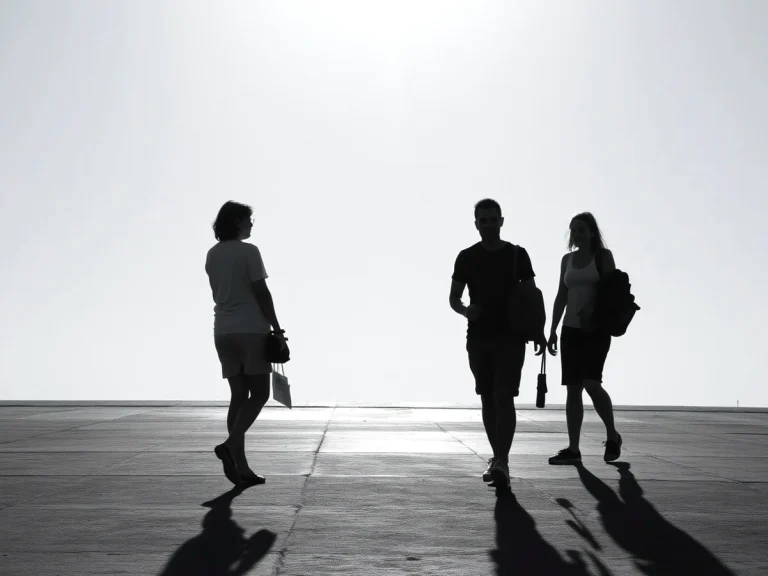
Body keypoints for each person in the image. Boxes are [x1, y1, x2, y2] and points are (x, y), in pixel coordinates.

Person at [451, 199, 547, 487]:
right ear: (476, 224)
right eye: (484, 220)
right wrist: (466, 310)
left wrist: (539, 330)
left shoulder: (518, 255)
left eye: (494, 219)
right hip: (478, 337)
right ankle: (497, 458)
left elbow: (532, 296)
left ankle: (501, 460)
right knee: (487, 398)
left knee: (503, 396)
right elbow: (454, 299)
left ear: (501, 221)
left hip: (511, 337)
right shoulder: (466, 257)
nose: (489, 224)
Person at [205, 201, 288, 485]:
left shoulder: (212, 254)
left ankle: (241, 468)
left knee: (239, 396)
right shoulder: (249, 252)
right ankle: (229, 447)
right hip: (251, 330)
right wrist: (277, 329)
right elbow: (261, 293)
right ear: (238, 221)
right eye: (249, 220)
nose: (252, 225)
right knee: (260, 395)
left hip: (223, 332)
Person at [546, 212, 622, 465]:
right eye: (572, 230)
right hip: (570, 329)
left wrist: (593, 309)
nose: (575, 234)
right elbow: (561, 295)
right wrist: (553, 328)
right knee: (573, 388)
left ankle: (612, 435)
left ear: (591, 232)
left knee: (591, 383)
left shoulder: (602, 257)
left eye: (580, 229)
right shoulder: (566, 260)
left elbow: (612, 290)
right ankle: (574, 449)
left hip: (596, 329)